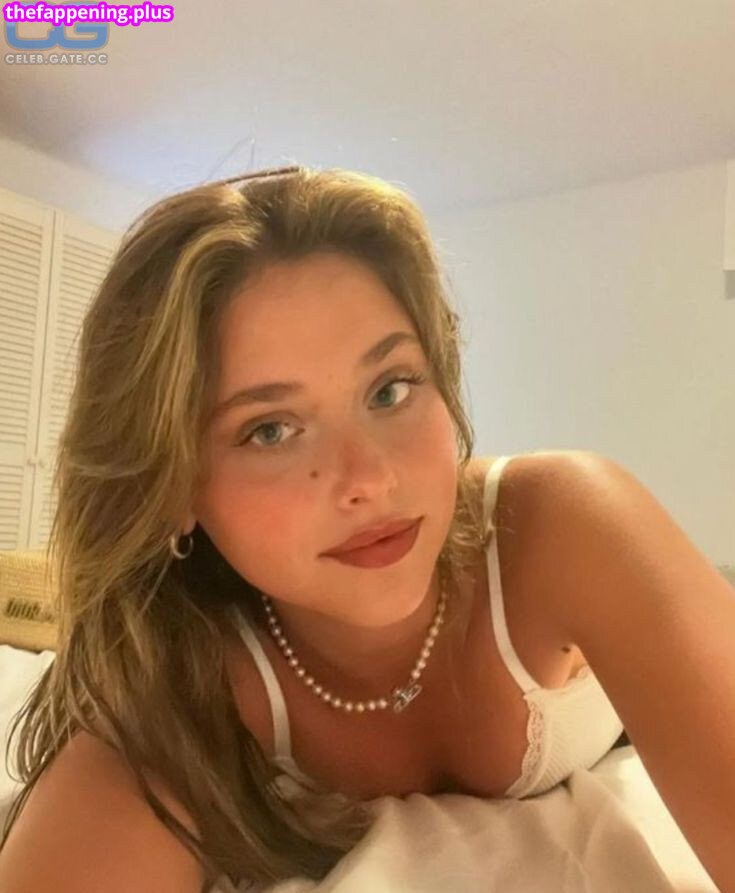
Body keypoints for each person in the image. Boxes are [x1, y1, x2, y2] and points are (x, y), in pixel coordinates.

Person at [0, 165, 625, 892]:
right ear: (172, 485)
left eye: (390, 388)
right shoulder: (179, 693)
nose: (370, 480)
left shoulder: (558, 521)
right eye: (270, 430)